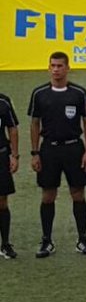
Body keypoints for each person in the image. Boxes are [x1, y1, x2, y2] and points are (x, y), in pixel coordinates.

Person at [27, 52, 86, 258]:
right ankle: (47, 241)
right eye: (53, 66)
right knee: (48, 195)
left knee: (78, 194)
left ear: (67, 68)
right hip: (49, 149)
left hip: (74, 148)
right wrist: (35, 152)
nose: (56, 69)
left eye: (59, 66)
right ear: (49, 68)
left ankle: (82, 239)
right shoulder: (39, 94)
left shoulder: (79, 93)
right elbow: (34, 123)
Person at [0, 90, 19, 259]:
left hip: (1, 155)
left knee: (2, 201)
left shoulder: (3, 102)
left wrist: (14, 155)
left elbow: (12, 128)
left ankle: (5, 243)